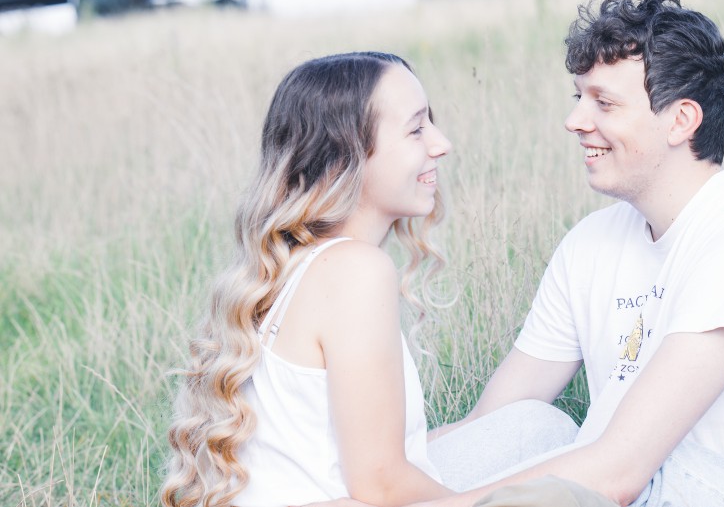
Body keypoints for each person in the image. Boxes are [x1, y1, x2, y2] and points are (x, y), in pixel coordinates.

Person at [401, 0, 724, 507]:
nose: (576, 121)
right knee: (529, 427)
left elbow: (621, 472)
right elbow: (489, 426)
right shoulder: (590, 244)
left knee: (637, 465)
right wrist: (365, 485)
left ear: (681, 120)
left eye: (605, 103)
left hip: (697, 493)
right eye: (580, 98)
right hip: (622, 489)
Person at [161, 52, 574, 507]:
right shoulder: (355, 270)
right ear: (345, 158)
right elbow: (380, 485)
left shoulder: (299, 264)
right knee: (560, 481)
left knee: (537, 429)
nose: (441, 144)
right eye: (416, 129)